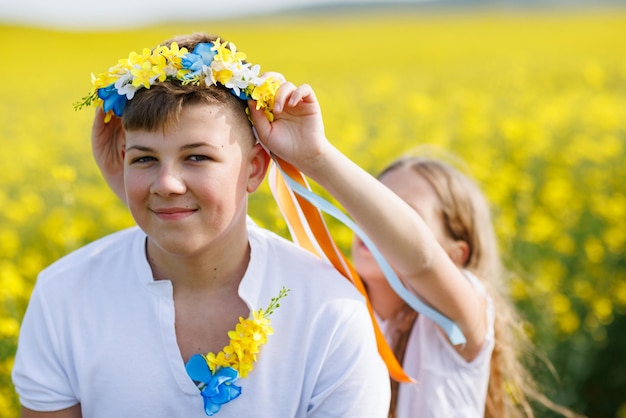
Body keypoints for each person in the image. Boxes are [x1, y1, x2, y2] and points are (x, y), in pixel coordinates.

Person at [80, 39, 577, 418]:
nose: (367, 218)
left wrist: (314, 155)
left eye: (400, 211)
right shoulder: (325, 301)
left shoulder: (461, 326)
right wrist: (130, 184)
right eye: (372, 200)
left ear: (459, 253)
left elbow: (420, 260)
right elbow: (202, 236)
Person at [11, 32, 391, 417]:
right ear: (122, 160)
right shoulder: (64, 295)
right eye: (144, 160)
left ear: (254, 169)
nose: (166, 184)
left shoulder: (328, 311)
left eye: (196, 158)